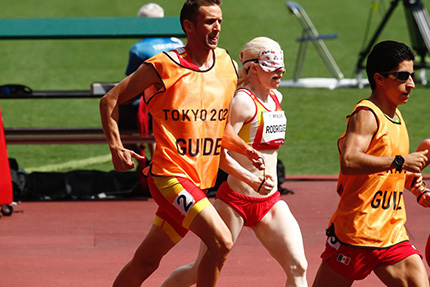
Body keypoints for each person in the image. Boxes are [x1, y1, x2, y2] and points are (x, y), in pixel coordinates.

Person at [99, 1, 268, 286]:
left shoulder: (227, 64)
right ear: (188, 26)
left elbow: (213, 128)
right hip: (169, 176)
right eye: (209, 21)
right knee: (221, 240)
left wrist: (244, 148)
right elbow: (109, 100)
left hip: (198, 181)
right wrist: (116, 147)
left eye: (219, 21)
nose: (217, 28)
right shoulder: (163, 66)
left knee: (147, 260)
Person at [161, 37, 308, 287]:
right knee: (200, 271)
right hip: (235, 202)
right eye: (273, 65)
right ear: (253, 67)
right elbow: (216, 152)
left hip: (270, 201)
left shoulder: (276, 97)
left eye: (281, 65)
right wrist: (249, 177)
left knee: (298, 266)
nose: (280, 71)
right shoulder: (241, 102)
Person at [312, 40, 430, 287]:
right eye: (402, 76)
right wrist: (401, 161)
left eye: (412, 76)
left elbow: (394, 171)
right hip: (357, 233)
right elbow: (350, 161)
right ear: (379, 78)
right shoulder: (366, 115)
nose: (411, 84)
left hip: (392, 231)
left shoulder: (396, 114)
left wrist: (419, 190)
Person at [119, 3, 184, 158]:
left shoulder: (139, 48)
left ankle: (143, 165)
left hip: (153, 109)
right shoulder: (179, 43)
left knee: (119, 114)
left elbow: (133, 86)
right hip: (180, 104)